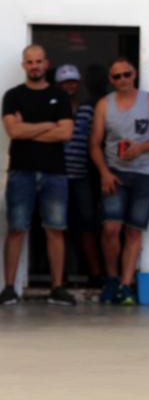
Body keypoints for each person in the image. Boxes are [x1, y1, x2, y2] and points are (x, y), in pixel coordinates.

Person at [89, 57, 149, 305]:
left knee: (134, 230)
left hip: (144, 175)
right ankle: (112, 279)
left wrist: (141, 148)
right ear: (110, 80)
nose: (122, 80)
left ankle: (126, 285)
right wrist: (104, 173)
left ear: (134, 73)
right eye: (117, 77)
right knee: (110, 229)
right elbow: (94, 144)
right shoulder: (104, 105)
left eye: (126, 74)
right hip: (114, 173)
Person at [0, 44, 76, 306]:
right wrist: (47, 125)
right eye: (30, 62)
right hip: (21, 172)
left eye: (39, 61)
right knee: (16, 229)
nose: (34, 66)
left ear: (47, 63)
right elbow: (14, 132)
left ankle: (57, 288)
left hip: (55, 173)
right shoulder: (12, 96)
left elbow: (65, 133)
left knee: (55, 230)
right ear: (24, 65)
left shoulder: (60, 96)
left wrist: (27, 128)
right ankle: (9, 288)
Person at [56, 64, 104, 288]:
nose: (70, 85)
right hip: (56, 175)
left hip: (83, 175)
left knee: (87, 225)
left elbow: (95, 139)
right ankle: (60, 277)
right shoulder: (51, 107)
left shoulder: (87, 108)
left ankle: (95, 274)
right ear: (58, 84)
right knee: (58, 226)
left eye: (73, 81)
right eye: (65, 82)